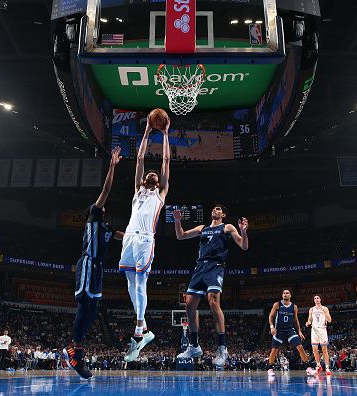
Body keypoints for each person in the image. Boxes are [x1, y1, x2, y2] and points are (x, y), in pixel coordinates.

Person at [65, 147, 124, 378]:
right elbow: (106, 189)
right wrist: (112, 166)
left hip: (99, 268)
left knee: (93, 310)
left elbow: (124, 235)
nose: (103, 204)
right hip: (88, 263)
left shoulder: (107, 227)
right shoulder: (94, 214)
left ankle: (76, 350)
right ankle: (76, 353)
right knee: (85, 306)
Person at [120, 116, 171, 362]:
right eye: (148, 174)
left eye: (155, 174)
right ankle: (143, 329)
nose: (152, 174)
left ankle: (139, 331)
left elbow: (165, 161)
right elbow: (140, 158)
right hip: (129, 237)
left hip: (145, 240)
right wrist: (147, 130)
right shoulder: (137, 192)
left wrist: (165, 134)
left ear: (159, 182)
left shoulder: (160, 195)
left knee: (141, 282)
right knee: (130, 282)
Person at [173, 205, 249, 367]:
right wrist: (178, 221)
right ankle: (194, 345)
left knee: (213, 301)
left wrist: (243, 230)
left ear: (223, 214)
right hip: (200, 267)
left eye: (219, 209)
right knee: (189, 305)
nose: (215, 210)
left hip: (215, 266)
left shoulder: (227, 227)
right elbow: (181, 236)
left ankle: (222, 348)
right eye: (214, 209)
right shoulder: (202, 228)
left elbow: (244, 246)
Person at [267, 290, 311, 377]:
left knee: (300, 347)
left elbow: (296, 319)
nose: (285, 294)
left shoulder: (294, 307)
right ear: (282, 295)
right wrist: (272, 327)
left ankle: (308, 367)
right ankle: (270, 368)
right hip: (279, 330)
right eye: (284, 293)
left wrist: (299, 331)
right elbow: (271, 316)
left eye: (287, 293)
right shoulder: (277, 304)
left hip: (290, 330)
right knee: (274, 350)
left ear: (290, 295)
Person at [305, 295, 332, 375]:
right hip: (314, 330)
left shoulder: (325, 308)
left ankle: (327, 367)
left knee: (324, 350)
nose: (316, 299)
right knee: (314, 349)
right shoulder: (311, 309)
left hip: (322, 330)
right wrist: (308, 323)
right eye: (315, 298)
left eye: (317, 298)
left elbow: (329, 320)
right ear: (314, 300)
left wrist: (324, 313)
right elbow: (309, 319)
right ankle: (318, 365)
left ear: (320, 299)